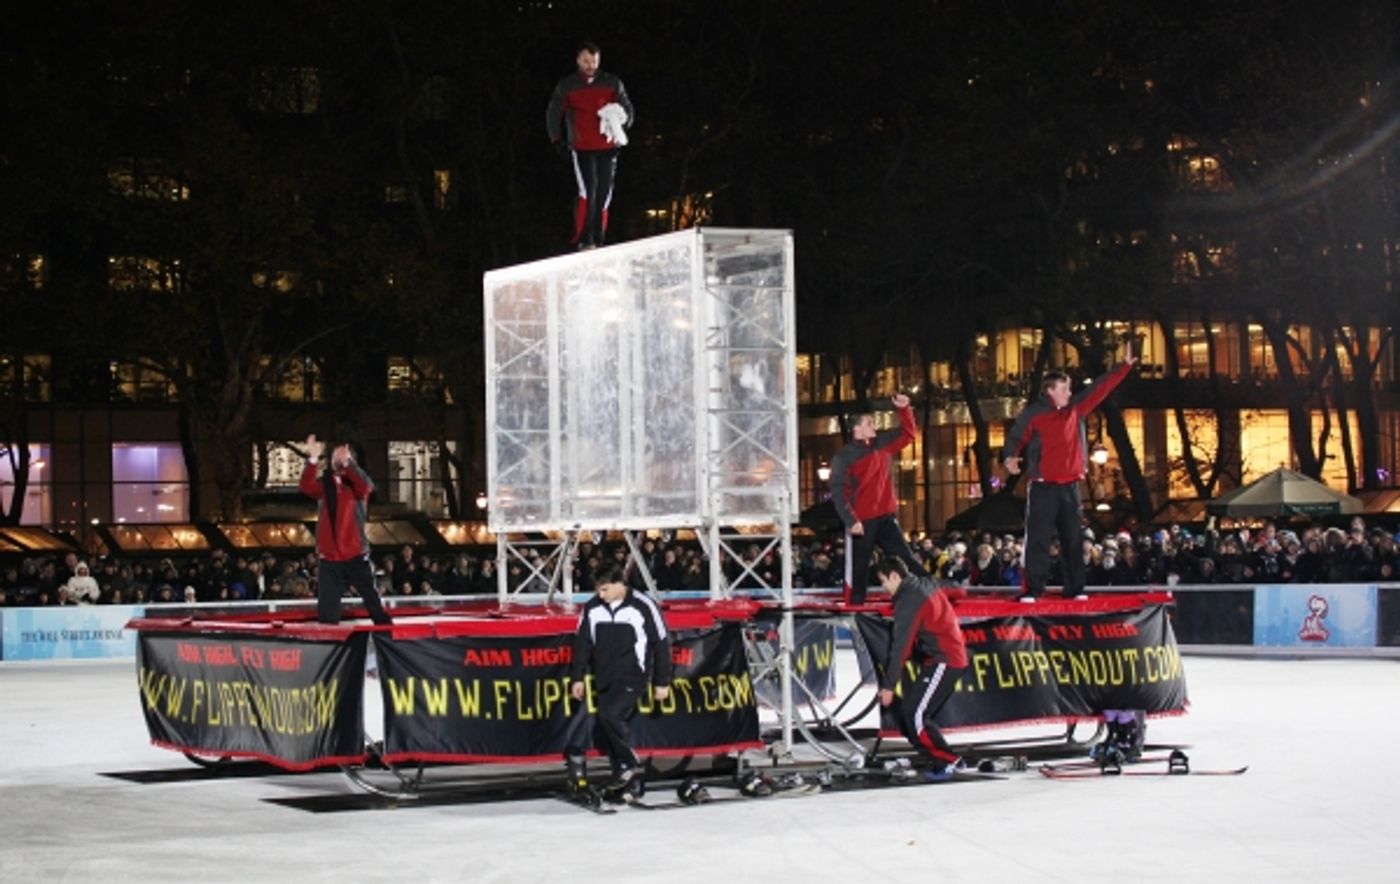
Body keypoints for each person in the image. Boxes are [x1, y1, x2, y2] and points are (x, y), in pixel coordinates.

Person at [1001, 344, 1137, 601]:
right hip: (1042, 486)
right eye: (1065, 388)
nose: (1070, 392)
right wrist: (1010, 457)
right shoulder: (1035, 414)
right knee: (1038, 539)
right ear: (1051, 390)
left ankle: (1075, 589)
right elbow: (1016, 435)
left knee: (1073, 539)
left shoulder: (1075, 408)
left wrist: (1124, 366)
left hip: (1070, 486)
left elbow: (1100, 387)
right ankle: (1032, 589)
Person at [564, 564, 672, 802]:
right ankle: (626, 780)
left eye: (604, 590)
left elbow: (662, 643)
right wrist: (577, 678)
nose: (600, 595)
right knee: (611, 727)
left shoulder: (643, 605)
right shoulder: (592, 608)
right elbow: (582, 645)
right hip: (604, 676)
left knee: (610, 716)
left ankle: (629, 761)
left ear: (618, 584)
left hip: (634, 675)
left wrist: (662, 681)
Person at [875, 557, 968, 781]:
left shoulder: (909, 600)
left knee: (914, 714)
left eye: (883, 582)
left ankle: (949, 760)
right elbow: (957, 589)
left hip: (945, 660)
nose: (883, 588)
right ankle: (942, 758)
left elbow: (901, 647)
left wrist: (888, 686)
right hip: (944, 659)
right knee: (910, 712)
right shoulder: (925, 583)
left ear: (895, 575)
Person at [829, 393, 921, 604]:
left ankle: (928, 592)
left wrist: (904, 409)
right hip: (862, 521)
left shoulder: (882, 443)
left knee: (904, 557)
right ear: (857, 428)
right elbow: (838, 491)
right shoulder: (844, 457)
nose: (874, 425)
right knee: (859, 567)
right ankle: (855, 608)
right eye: (869, 423)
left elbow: (908, 434)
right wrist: (851, 521)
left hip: (885, 516)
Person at [545, 40, 634, 250]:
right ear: (578, 60)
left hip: (608, 147)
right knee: (589, 191)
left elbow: (627, 108)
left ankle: (599, 239)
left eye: (594, 61)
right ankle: (584, 238)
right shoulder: (568, 85)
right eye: (586, 61)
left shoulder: (612, 83)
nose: (590, 65)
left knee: (604, 194)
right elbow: (554, 111)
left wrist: (623, 124)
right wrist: (556, 139)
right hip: (582, 147)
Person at [298, 434, 392, 625]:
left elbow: (367, 486)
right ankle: (329, 644)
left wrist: (348, 465)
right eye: (335, 456)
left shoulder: (356, 484)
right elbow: (306, 487)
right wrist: (313, 459)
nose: (337, 459)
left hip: (355, 552)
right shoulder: (326, 484)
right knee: (327, 609)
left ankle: (387, 636)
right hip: (330, 556)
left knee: (372, 601)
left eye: (342, 455)